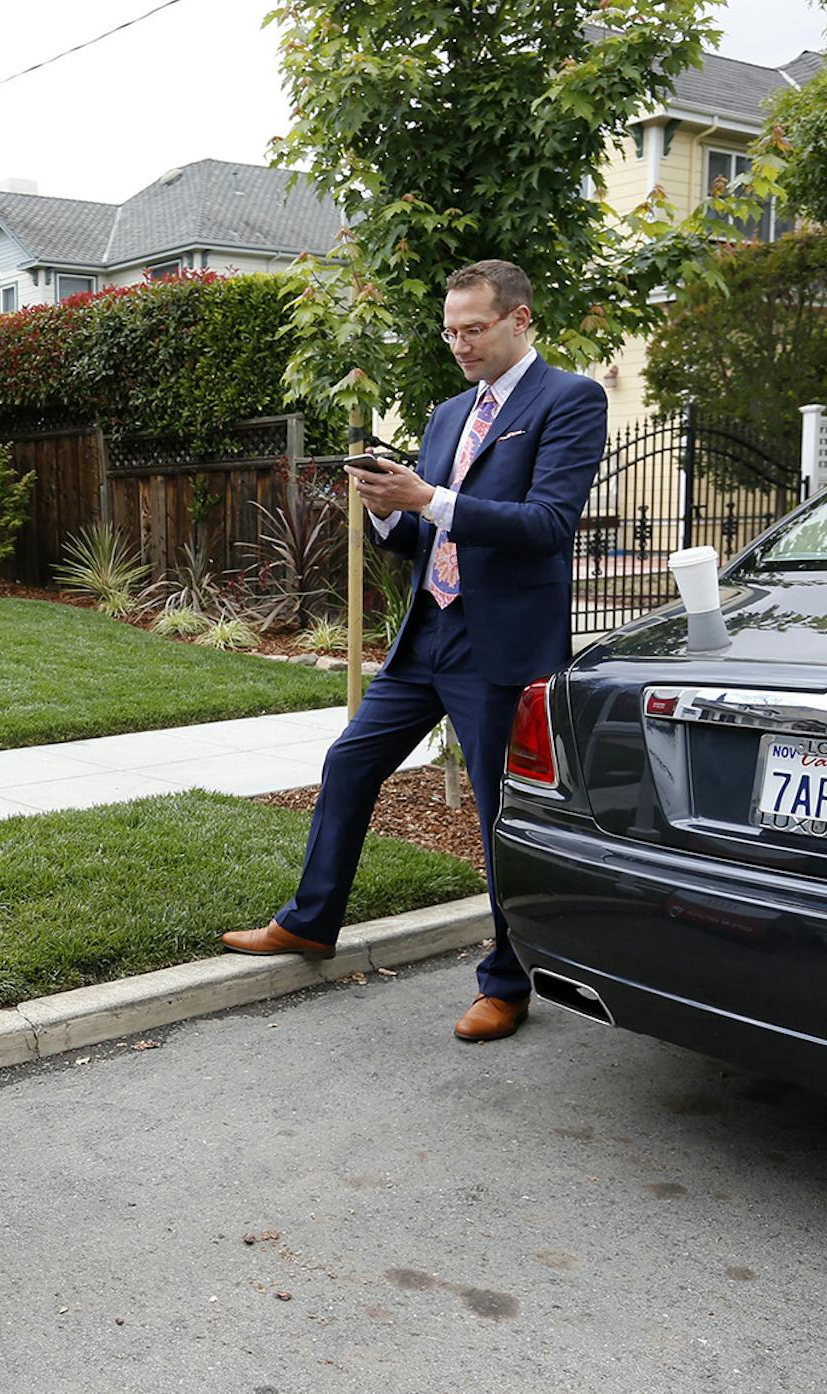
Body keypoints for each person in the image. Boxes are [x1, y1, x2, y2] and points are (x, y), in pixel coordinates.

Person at [221, 259, 606, 1043]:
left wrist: (428, 497)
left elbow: (546, 525)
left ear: (520, 320)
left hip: (500, 645)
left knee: (499, 817)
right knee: (350, 761)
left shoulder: (569, 400)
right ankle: (309, 923)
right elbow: (427, 531)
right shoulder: (447, 413)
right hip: (427, 631)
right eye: (449, 330)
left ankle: (507, 982)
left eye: (474, 329)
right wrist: (388, 511)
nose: (459, 344)